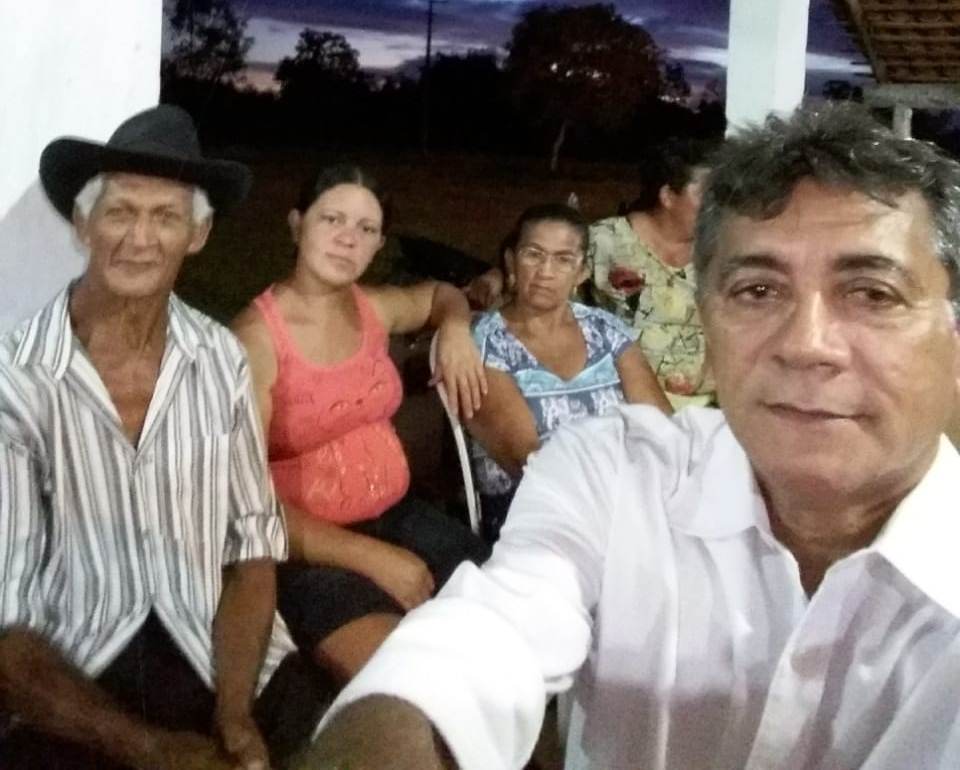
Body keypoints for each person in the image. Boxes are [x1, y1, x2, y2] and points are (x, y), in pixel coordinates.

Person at [300, 104, 960, 770]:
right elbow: (480, 643)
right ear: (708, 322)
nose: (806, 344)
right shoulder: (609, 475)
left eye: (874, 294)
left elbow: (653, 412)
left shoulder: (611, 345)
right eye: (758, 290)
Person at [0, 105, 327, 770]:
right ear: (84, 225)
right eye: (120, 212)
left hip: (225, 652)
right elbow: (8, 627)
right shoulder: (16, 378)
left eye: (166, 217)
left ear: (197, 235)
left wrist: (233, 716)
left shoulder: (220, 358)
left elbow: (252, 552)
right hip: (78, 670)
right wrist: (152, 751)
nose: (140, 239)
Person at [231, 164, 490, 687]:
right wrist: (373, 558)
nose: (348, 238)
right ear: (297, 224)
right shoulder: (254, 340)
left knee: (508, 623)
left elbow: (440, 294)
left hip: (399, 514)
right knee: (410, 685)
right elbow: (242, 497)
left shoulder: (374, 307)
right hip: (305, 548)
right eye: (332, 219)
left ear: (378, 245)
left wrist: (457, 327)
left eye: (366, 228)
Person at [466, 203, 671, 541]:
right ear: (511, 262)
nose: (545, 271)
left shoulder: (605, 329)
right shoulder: (484, 343)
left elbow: (661, 427)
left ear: (581, 273)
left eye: (563, 259)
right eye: (533, 254)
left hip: (627, 501)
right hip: (534, 516)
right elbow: (527, 461)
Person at [466, 140, 714, 410]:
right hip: (631, 397)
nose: (718, 206)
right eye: (707, 194)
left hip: (713, 401)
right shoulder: (607, 240)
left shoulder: (719, 251)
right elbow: (545, 257)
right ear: (667, 196)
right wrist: (497, 276)